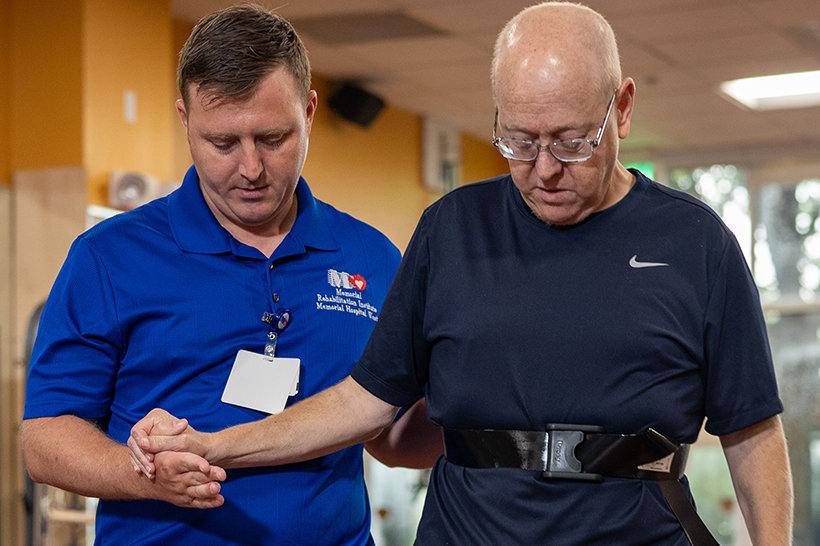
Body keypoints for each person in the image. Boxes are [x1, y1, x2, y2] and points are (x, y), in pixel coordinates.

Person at [129, 2, 794, 545]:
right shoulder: (450, 229)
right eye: (519, 140)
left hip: (636, 530)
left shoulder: (695, 241)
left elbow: (751, 428)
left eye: (571, 141)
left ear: (621, 109)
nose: (544, 169)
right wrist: (217, 443)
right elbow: (365, 402)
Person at [22, 5, 441, 546]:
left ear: (309, 112)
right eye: (222, 143)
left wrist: (480, 402)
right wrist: (147, 476)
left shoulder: (371, 258)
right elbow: (46, 440)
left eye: (273, 139)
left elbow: (392, 437)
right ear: (185, 120)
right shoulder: (108, 257)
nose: (250, 169)